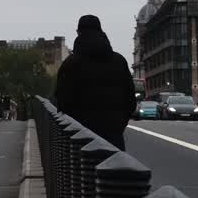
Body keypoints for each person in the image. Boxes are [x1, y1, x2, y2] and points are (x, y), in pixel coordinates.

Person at [54, 15, 137, 151]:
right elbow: (130, 100)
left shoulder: (70, 64)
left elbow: (63, 102)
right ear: (101, 30)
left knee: (84, 171)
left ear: (78, 32)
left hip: (80, 138)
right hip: (113, 136)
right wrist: (118, 125)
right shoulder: (119, 61)